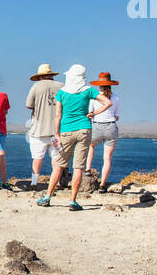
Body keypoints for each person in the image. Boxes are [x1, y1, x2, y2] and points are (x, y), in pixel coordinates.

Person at [36, 64, 110, 210]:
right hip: (84, 129)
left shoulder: (62, 93)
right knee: (78, 167)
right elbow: (108, 103)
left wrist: (57, 133)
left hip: (66, 130)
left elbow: (58, 116)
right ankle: (73, 201)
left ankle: (47, 197)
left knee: (59, 165)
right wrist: (93, 114)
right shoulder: (88, 90)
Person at [24, 63, 60, 191]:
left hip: (39, 129)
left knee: (37, 158)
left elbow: (28, 105)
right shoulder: (61, 86)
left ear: (40, 76)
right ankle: (57, 183)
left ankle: (34, 183)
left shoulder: (36, 86)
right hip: (56, 130)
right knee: (56, 158)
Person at [84, 72, 121, 192]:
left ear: (99, 85)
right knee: (107, 158)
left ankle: (87, 169)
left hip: (97, 125)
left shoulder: (94, 97)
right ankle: (103, 185)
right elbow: (116, 117)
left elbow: (90, 113)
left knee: (91, 146)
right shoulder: (116, 98)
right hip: (111, 127)